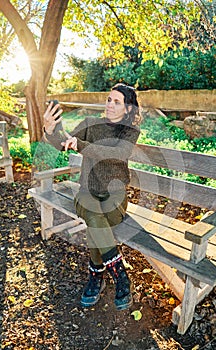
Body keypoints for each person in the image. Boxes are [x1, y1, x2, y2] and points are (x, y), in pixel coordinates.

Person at [43, 83, 142, 311]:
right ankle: (120, 277)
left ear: (128, 109)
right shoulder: (90, 124)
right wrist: (50, 130)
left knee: (95, 222)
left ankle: (96, 275)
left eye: (117, 102)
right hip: (86, 193)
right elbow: (63, 144)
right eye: (109, 99)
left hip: (115, 198)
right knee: (95, 216)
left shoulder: (130, 132)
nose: (110, 104)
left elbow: (116, 155)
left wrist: (82, 145)